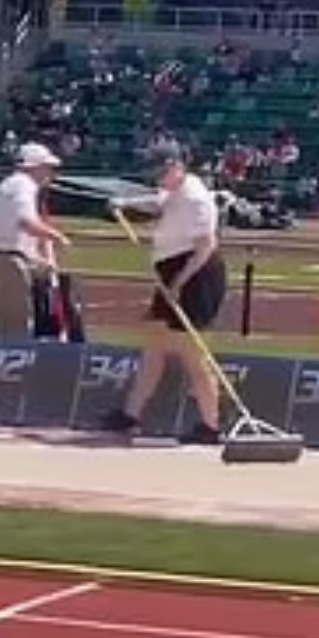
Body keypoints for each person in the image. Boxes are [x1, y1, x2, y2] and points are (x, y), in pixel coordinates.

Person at [99, 144, 226, 443]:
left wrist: (179, 283)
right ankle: (130, 415)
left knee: (193, 355)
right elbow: (159, 202)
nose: (158, 178)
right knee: (154, 345)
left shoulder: (195, 198)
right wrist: (126, 204)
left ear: (178, 166)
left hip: (196, 275)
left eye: (163, 171)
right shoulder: (174, 191)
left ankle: (211, 424)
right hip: (170, 270)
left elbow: (205, 247)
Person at [0, 142, 72, 339]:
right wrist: (56, 236)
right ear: (35, 167)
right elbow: (25, 221)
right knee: (15, 326)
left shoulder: (10, 185)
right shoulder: (24, 185)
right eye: (47, 167)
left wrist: (37, 260)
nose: (50, 173)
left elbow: (11, 231)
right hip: (6, 261)